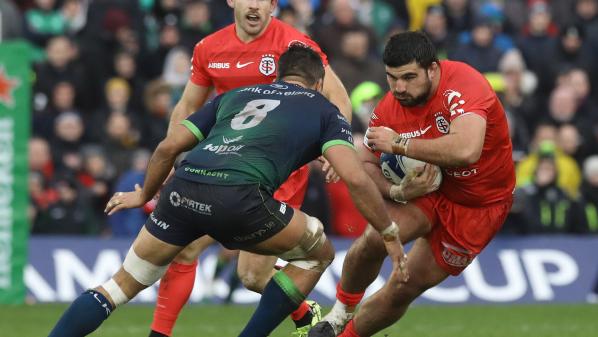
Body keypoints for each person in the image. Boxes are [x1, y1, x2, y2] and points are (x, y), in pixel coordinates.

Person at [47, 44, 408, 337]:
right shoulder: (323, 109)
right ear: (317, 84)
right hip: (239, 198)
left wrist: (144, 195)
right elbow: (357, 179)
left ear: (279, 75)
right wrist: (389, 232)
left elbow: (167, 148)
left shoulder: (235, 96)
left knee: (119, 285)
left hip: (183, 189)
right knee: (317, 253)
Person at [150, 1, 352, 336]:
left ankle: (302, 310)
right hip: (222, 164)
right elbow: (188, 104)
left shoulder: (294, 46)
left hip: (278, 170)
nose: (255, 4)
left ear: (273, 5)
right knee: (183, 247)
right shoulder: (209, 48)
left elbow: (337, 97)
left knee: (253, 277)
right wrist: (172, 153)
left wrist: (334, 148)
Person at [308, 31, 515, 337]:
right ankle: (337, 316)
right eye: (392, 78)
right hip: (430, 189)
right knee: (378, 237)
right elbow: (364, 163)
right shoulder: (388, 109)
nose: (400, 88)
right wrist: (396, 191)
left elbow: (466, 150)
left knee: (403, 287)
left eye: (408, 77)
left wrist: (401, 144)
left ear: (433, 69)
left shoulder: (464, 84)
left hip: (480, 206)